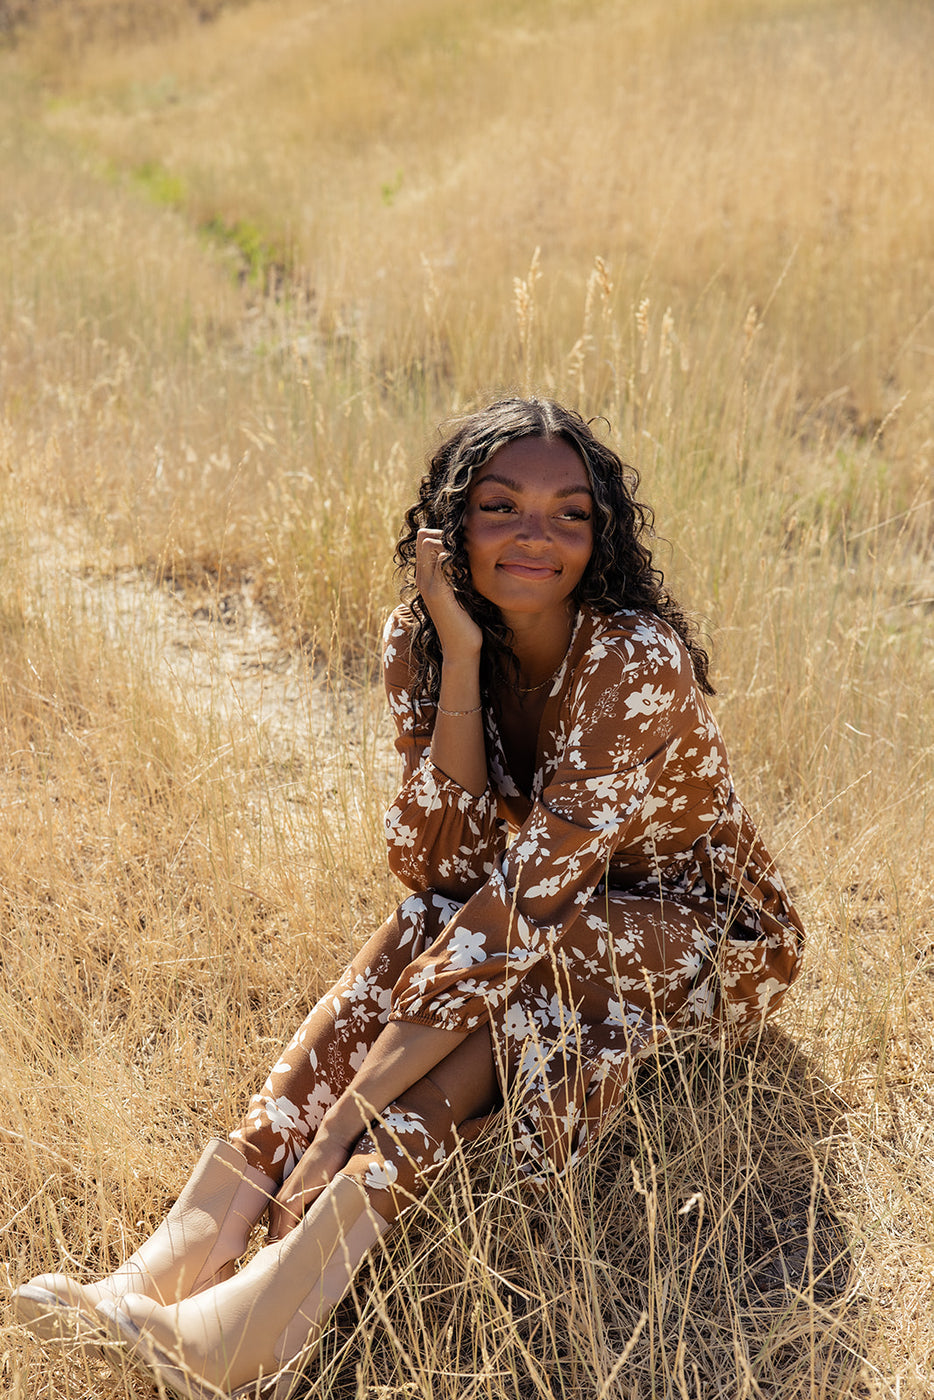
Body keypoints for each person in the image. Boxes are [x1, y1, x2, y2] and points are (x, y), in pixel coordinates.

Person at [12, 397, 805, 1398]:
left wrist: (347, 1118)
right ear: (450, 524)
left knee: (520, 964)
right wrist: (463, 657)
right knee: (435, 926)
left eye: (570, 515)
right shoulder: (422, 638)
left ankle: (253, 1318)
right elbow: (440, 861)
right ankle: (172, 1264)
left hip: (699, 926)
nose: (536, 536)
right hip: (548, 902)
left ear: (600, 539)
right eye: (501, 506)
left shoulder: (631, 657)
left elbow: (524, 903)